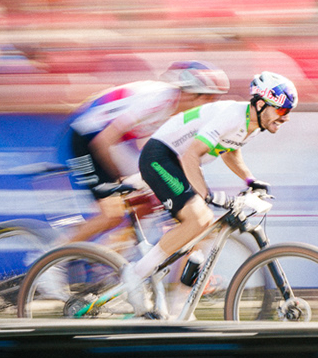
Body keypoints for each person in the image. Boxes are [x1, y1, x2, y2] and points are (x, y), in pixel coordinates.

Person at [76, 70, 297, 318]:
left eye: (287, 113)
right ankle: (135, 275)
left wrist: (250, 179)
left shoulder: (251, 125)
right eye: (280, 110)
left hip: (175, 161)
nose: (284, 117)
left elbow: (230, 151)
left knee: (203, 229)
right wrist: (206, 194)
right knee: (198, 217)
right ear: (259, 104)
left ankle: (175, 302)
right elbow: (191, 154)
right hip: (160, 157)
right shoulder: (232, 115)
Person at [59, 60, 228, 247]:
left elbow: (164, 153)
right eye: (209, 98)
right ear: (190, 94)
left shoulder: (178, 112)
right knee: (112, 214)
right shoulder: (158, 101)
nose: (212, 104)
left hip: (112, 142)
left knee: (144, 205)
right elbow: (104, 141)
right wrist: (119, 180)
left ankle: (110, 260)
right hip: (86, 136)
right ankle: (48, 261)